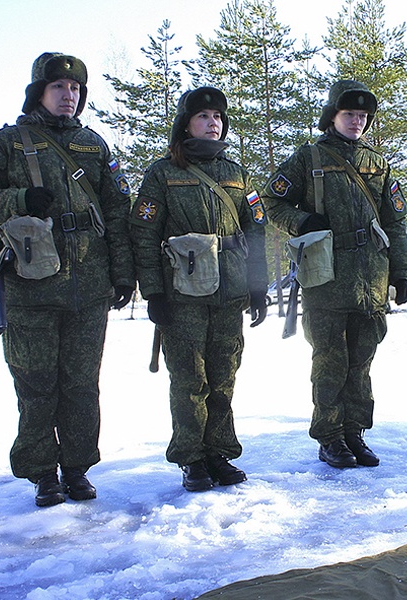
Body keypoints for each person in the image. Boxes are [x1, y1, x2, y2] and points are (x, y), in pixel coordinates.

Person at [0, 52, 136, 507]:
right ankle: (42, 472)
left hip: (89, 286)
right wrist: (18, 198)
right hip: (30, 285)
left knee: (81, 383)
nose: (69, 96)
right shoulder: (9, 143)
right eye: (59, 87)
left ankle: (77, 467)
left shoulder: (94, 146)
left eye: (76, 89)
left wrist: (122, 273)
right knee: (36, 383)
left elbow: (117, 212)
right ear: (39, 91)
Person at [260, 79, 407, 468]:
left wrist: (401, 271)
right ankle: (330, 437)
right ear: (333, 116)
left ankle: (354, 433)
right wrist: (302, 221)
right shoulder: (309, 158)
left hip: (370, 277)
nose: (357, 122)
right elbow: (270, 200)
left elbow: (395, 223)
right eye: (350, 114)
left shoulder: (377, 163)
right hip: (325, 276)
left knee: (362, 360)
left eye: (363, 116)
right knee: (330, 360)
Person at [129, 86, 268, 492]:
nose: (214, 123)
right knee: (190, 380)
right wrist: (153, 292)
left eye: (219, 117)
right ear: (186, 123)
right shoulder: (163, 173)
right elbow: (143, 234)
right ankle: (191, 458)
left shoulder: (237, 174)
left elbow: (255, 232)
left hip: (229, 290)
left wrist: (258, 287)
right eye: (204, 116)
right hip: (182, 293)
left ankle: (219, 453)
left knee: (224, 376)